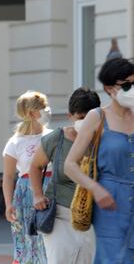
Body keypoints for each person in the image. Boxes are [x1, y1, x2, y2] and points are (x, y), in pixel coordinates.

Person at [65, 57, 134, 264]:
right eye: (127, 85)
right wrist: (95, 189)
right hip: (110, 203)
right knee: (114, 258)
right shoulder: (97, 117)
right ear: (109, 88)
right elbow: (70, 164)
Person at [29, 87, 100, 264]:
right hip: (59, 215)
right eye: (80, 117)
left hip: (92, 217)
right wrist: (37, 194)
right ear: (70, 116)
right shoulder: (57, 139)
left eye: (89, 117)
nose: (85, 122)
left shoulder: (103, 140)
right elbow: (35, 166)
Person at [2, 90, 52, 264]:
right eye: (43, 107)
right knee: (26, 239)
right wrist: (8, 204)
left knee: (50, 240)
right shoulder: (15, 142)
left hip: (50, 192)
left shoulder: (52, 136)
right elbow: (8, 177)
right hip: (24, 195)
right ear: (31, 113)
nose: (48, 110)